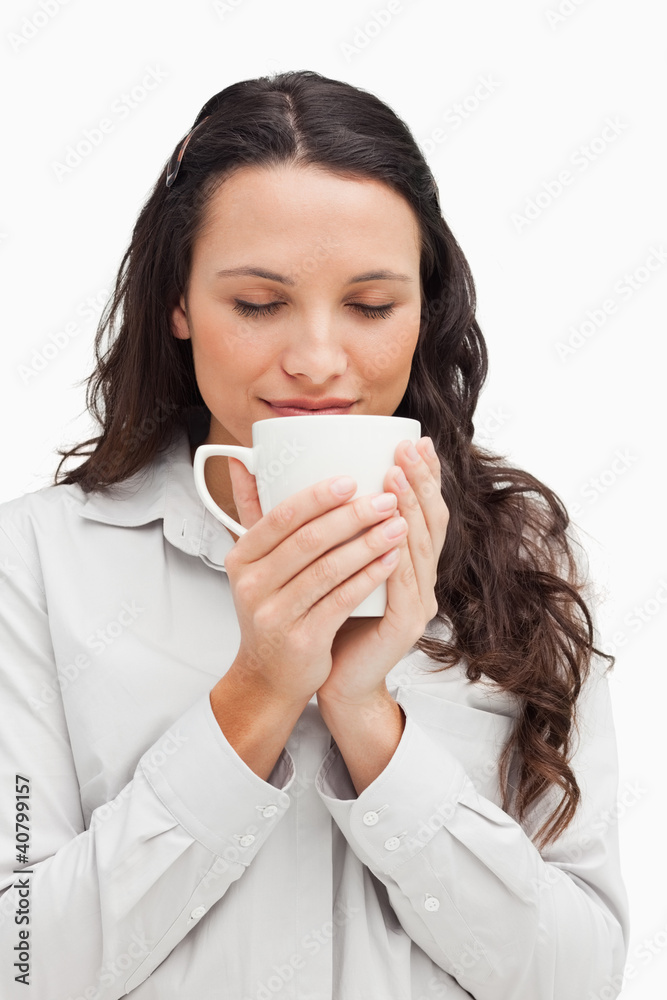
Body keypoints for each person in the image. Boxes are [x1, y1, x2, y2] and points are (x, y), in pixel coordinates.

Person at [0, 69, 628, 1000]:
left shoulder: (521, 557)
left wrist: (368, 717)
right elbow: (21, 962)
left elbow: (575, 979)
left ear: (424, 310)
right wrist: (257, 694)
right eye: (257, 304)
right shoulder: (40, 561)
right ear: (178, 302)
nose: (318, 360)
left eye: (371, 306)